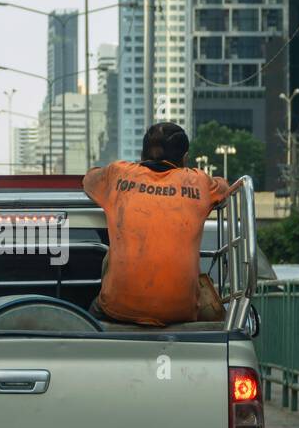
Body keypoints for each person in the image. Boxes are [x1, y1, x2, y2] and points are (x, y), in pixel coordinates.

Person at [83, 121, 230, 326]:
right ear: (185, 158)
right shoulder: (200, 182)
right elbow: (224, 188)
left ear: (142, 155)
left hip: (119, 309)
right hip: (180, 311)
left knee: (90, 313)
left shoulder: (118, 174)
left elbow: (88, 180)